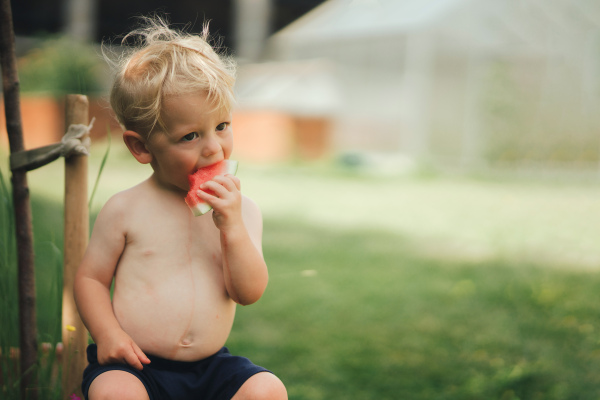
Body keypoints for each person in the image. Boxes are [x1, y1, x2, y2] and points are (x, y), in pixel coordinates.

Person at [74, 16, 287, 400]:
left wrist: (232, 229)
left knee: (266, 389)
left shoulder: (243, 211)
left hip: (212, 368)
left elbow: (248, 292)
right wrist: (108, 335)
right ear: (141, 148)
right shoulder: (125, 209)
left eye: (221, 126)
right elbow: (90, 279)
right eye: (190, 136)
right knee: (115, 392)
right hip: (136, 365)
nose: (213, 148)